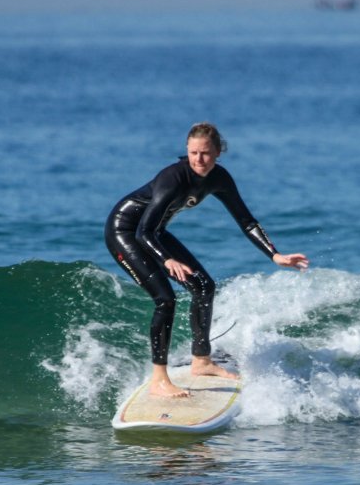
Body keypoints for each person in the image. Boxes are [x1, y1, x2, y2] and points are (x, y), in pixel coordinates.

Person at [104, 123, 309, 397]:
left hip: (155, 233)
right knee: (165, 299)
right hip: (125, 232)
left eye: (205, 153)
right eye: (193, 153)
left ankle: (201, 361)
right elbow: (143, 231)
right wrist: (166, 260)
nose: (199, 159)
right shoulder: (172, 179)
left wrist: (275, 254)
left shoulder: (219, 178)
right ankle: (159, 380)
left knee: (204, 287)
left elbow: (246, 221)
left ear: (217, 153)